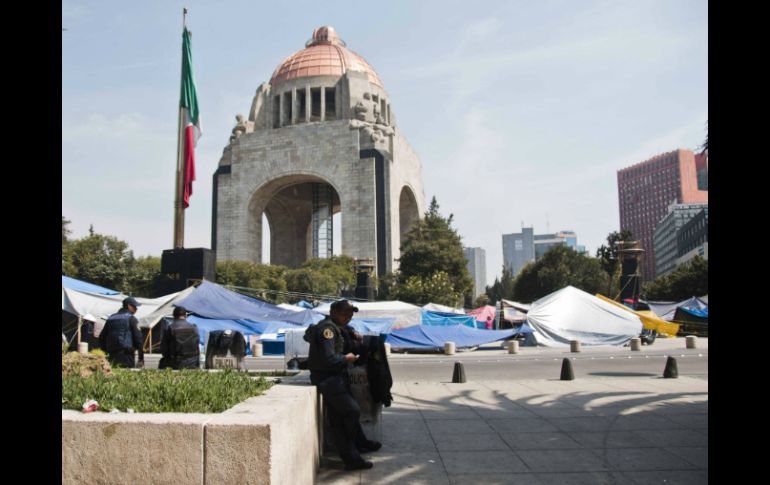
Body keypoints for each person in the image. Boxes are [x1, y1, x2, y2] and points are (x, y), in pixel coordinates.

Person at [304, 300, 381, 471]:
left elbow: (344, 340)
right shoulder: (327, 330)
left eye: (350, 314)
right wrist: (346, 359)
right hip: (329, 379)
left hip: (336, 377)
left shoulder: (337, 328)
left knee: (339, 419)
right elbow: (328, 358)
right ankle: (352, 451)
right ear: (333, 312)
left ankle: (352, 455)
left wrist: (352, 335)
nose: (349, 317)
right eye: (345, 313)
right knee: (351, 411)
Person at [99, 296, 145, 368]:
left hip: (112, 355)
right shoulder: (131, 319)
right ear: (129, 306)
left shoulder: (111, 318)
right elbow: (139, 340)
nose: (136, 309)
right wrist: (141, 358)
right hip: (126, 356)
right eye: (135, 306)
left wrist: (105, 353)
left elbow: (102, 337)